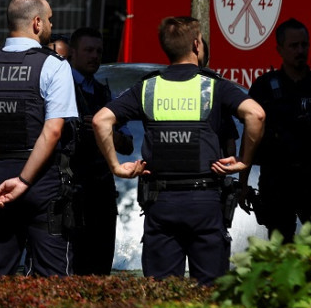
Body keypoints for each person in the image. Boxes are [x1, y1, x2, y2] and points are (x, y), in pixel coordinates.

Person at [93, 17, 264, 283]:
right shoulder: (212, 86)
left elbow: (100, 119)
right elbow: (256, 114)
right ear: (197, 45)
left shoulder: (148, 87)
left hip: (161, 203)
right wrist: (244, 160)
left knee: (161, 292)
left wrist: (116, 166)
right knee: (209, 293)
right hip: (204, 202)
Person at [0, 0, 79, 276]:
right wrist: (24, 181)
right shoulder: (54, 65)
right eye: (49, 19)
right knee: (52, 280)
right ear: (37, 23)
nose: (51, 25)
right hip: (41, 180)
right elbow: (52, 131)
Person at [244, 18, 311, 241]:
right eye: (294, 46)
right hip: (277, 182)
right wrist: (242, 183)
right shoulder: (264, 87)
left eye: (304, 45)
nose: (300, 50)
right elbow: (249, 135)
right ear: (280, 49)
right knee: (279, 248)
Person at [67, 27, 132, 274]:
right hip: (70, 191)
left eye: (99, 51)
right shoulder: (60, 88)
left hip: (100, 192)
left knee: (100, 266)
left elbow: (127, 144)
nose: (95, 56)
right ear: (72, 53)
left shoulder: (106, 94)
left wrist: (103, 131)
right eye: (88, 50)